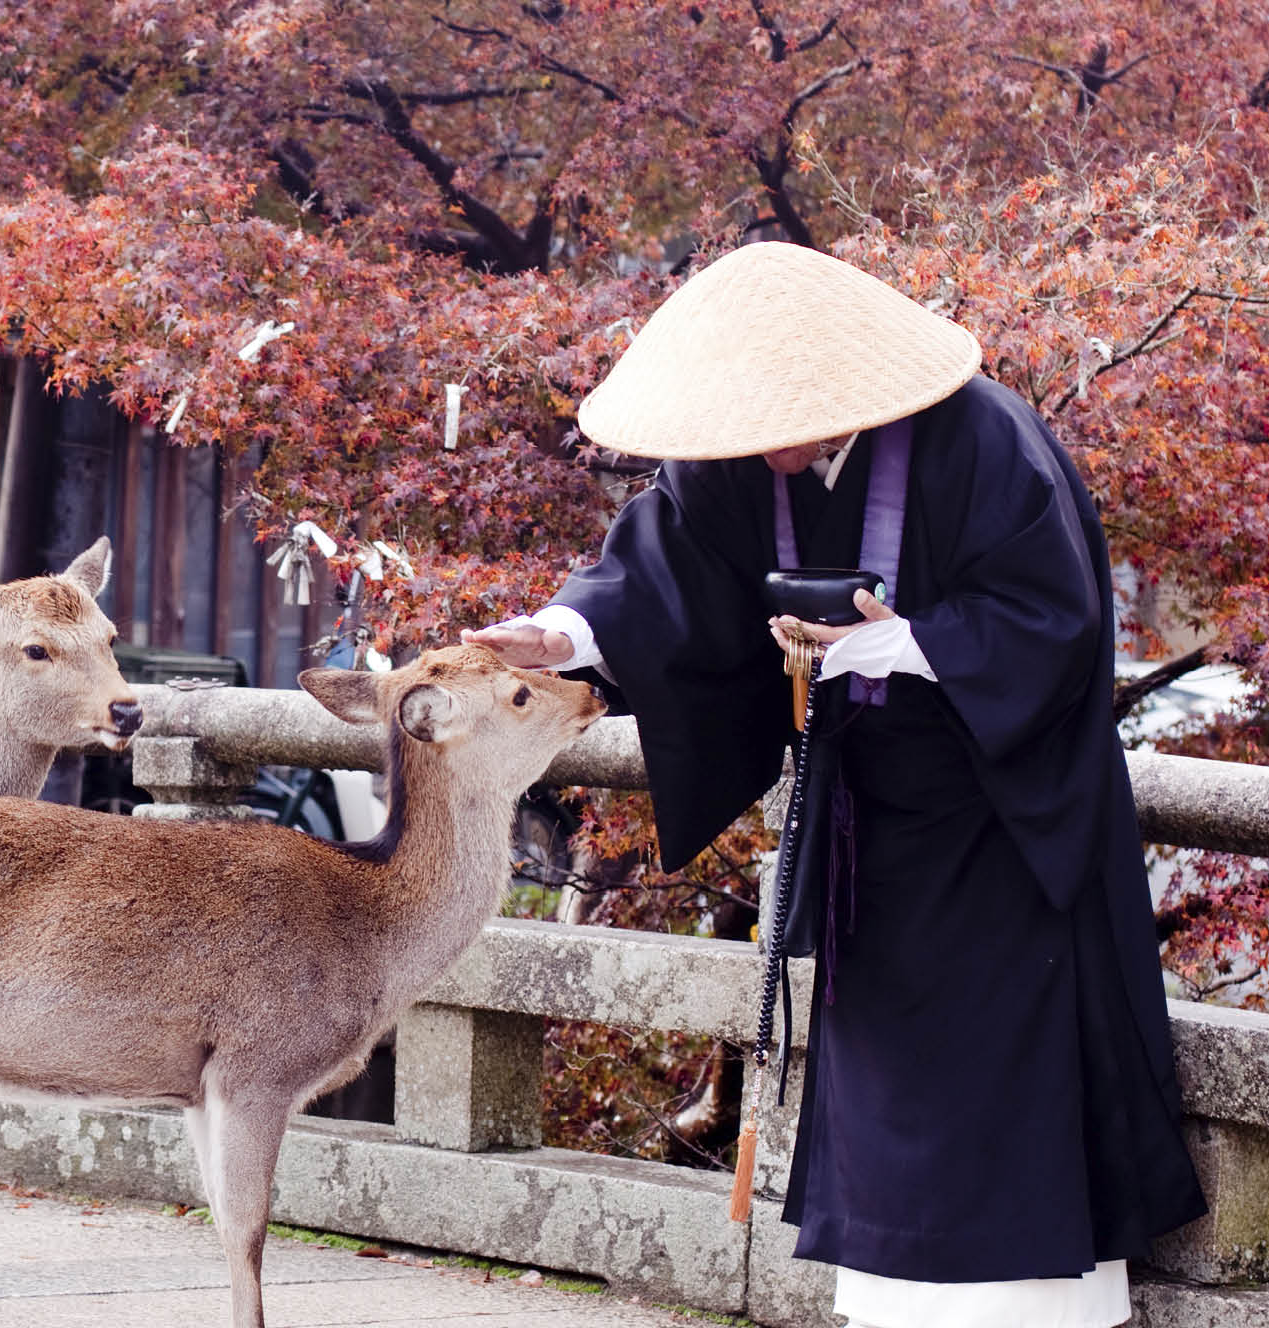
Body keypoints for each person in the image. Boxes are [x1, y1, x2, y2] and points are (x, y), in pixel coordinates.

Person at [465, 242, 1205, 1328]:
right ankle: (889, 1298)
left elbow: (1053, 618)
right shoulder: (738, 458)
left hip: (1003, 823)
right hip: (869, 821)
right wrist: (563, 631)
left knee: (1004, 1076)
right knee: (885, 1089)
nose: (762, 451)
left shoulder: (984, 436)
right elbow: (656, 573)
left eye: (780, 422)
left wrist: (908, 645)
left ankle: (1035, 1304)